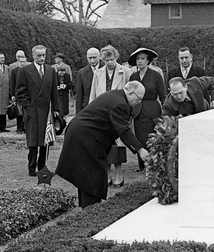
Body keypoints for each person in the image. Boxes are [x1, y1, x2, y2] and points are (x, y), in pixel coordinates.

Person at [55, 81, 149, 208]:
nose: (139, 102)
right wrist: (140, 150)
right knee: (91, 177)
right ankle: (90, 210)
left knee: (92, 177)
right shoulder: (120, 103)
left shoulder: (117, 95)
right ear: (131, 93)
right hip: (84, 138)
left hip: (84, 135)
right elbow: (124, 131)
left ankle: (90, 208)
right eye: (139, 99)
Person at [14, 45, 60, 177]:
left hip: (46, 111)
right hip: (32, 110)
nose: (41, 58)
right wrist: (26, 106)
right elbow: (20, 91)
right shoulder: (25, 70)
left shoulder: (51, 71)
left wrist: (56, 109)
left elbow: (54, 92)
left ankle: (42, 167)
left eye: (43, 55)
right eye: (38, 55)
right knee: (33, 141)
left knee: (45, 141)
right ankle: (31, 168)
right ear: (33, 56)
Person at [89, 45, 132, 187]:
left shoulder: (125, 72)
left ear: (116, 58)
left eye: (112, 59)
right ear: (103, 60)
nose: (110, 63)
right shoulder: (98, 73)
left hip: (117, 114)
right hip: (102, 114)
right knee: (103, 144)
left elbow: (129, 94)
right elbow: (93, 94)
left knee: (118, 145)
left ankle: (119, 175)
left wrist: (128, 113)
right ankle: (106, 175)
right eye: (107, 60)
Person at [128, 47, 167, 171]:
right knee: (140, 137)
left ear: (148, 61)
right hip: (138, 111)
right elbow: (129, 94)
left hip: (152, 111)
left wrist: (166, 112)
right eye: (138, 59)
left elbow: (163, 95)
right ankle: (143, 165)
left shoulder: (155, 75)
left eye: (142, 59)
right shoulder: (133, 76)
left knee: (152, 138)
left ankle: (154, 164)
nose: (140, 61)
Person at [74, 47, 102, 114]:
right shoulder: (82, 72)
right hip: (87, 107)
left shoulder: (105, 70)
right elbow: (79, 95)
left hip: (102, 107)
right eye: (90, 58)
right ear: (86, 58)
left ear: (99, 56)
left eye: (94, 57)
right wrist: (78, 114)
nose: (92, 61)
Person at [8, 50, 28, 133]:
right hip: (18, 94)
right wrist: (12, 94)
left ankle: (26, 128)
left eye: (24, 62)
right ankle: (19, 128)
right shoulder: (14, 71)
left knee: (26, 111)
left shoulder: (28, 70)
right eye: (21, 62)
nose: (22, 63)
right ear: (18, 62)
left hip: (27, 94)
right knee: (19, 112)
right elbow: (12, 83)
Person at [53, 53, 73, 117]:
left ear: (61, 59)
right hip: (57, 91)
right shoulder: (53, 67)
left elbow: (70, 80)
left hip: (65, 91)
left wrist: (65, 86)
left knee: (65, 107)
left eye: (56, 58)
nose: (55, 59)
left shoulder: (67, 67)